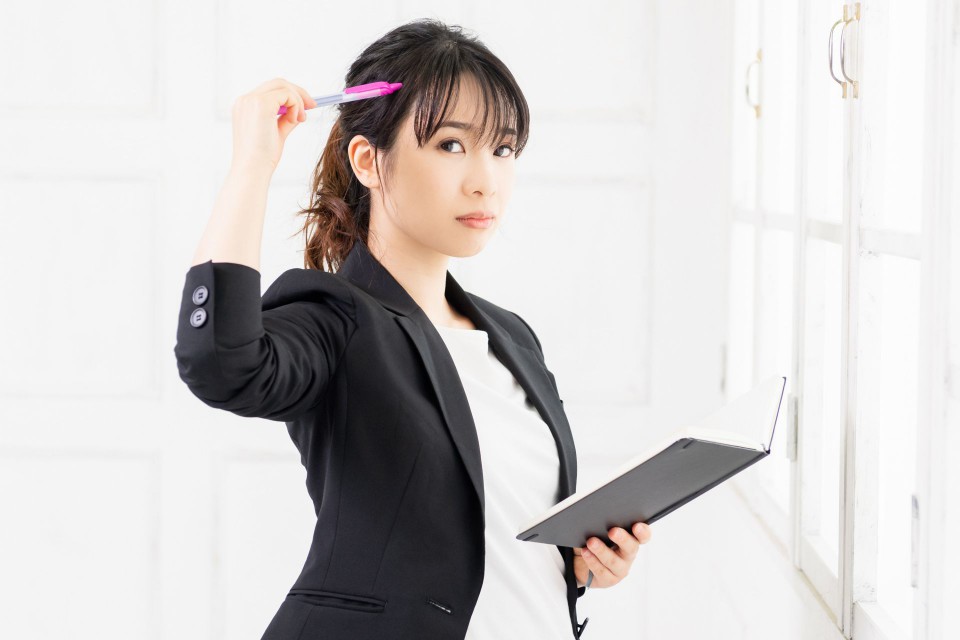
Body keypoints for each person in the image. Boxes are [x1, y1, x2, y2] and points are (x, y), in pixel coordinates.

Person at [173, 18, 652, 640]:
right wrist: (252, 165)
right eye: (451, 145)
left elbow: (489, 533)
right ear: (368, 161)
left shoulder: (512, 338)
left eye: (503, 149)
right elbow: (221, 363)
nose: (485, 180)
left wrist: (578, 565)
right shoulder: (336, 316)